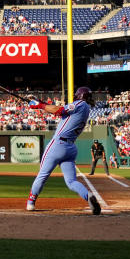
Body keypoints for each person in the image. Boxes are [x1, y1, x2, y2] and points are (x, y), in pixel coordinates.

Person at [26, 87, 101, 215]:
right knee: (71, 182)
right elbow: (57, 110)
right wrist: (39, 102)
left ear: (79, 95)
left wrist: (39, 105)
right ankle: (88, 196)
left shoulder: (79, 104)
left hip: (58, 145)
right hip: (70, 148)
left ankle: (31, 203)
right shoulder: (86, 108)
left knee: (42, 175)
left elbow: (58, 110)